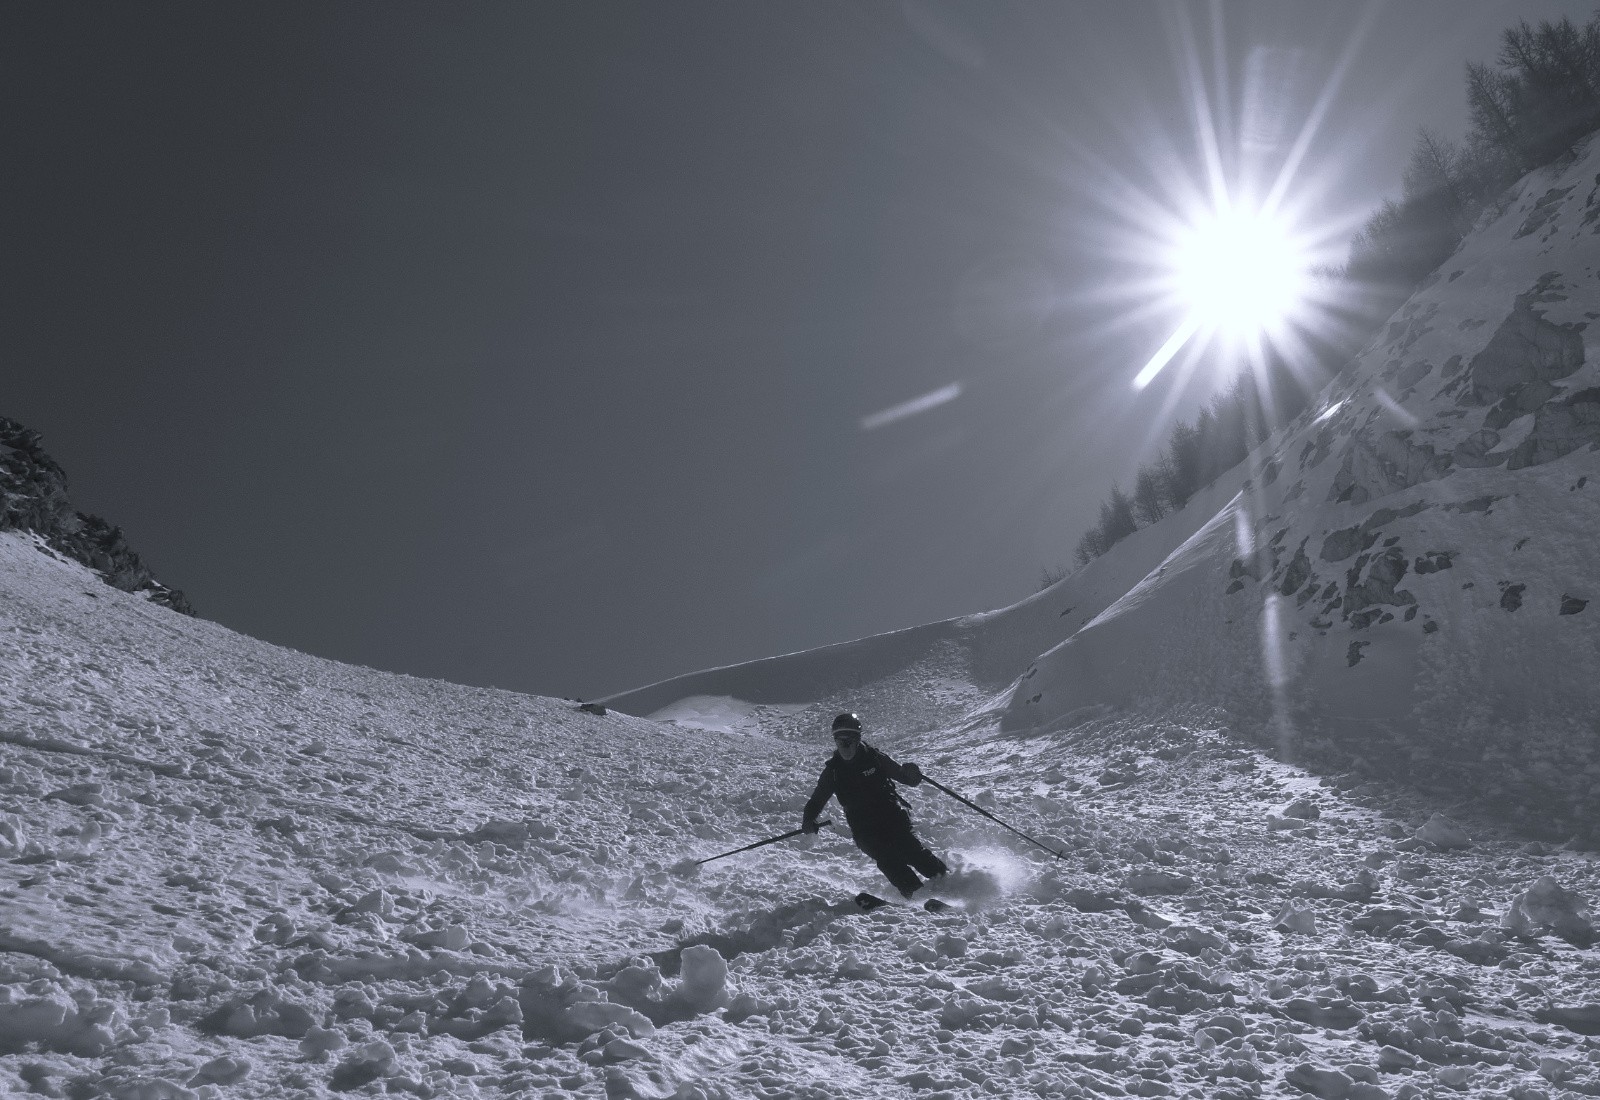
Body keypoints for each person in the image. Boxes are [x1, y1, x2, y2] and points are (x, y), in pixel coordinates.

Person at [802, 712, 949, 898]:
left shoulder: (875, 758)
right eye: (840, 742)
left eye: (849, 741)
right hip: (864, 829)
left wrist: (912, 773)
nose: (845, 747)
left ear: (857, 740)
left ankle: (945, 880)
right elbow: (816, 800)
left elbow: (905, 777)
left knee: (911, 850)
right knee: (886, 858)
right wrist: (808, 819)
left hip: (892, 817)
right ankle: (917, 894)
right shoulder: (833, 772)